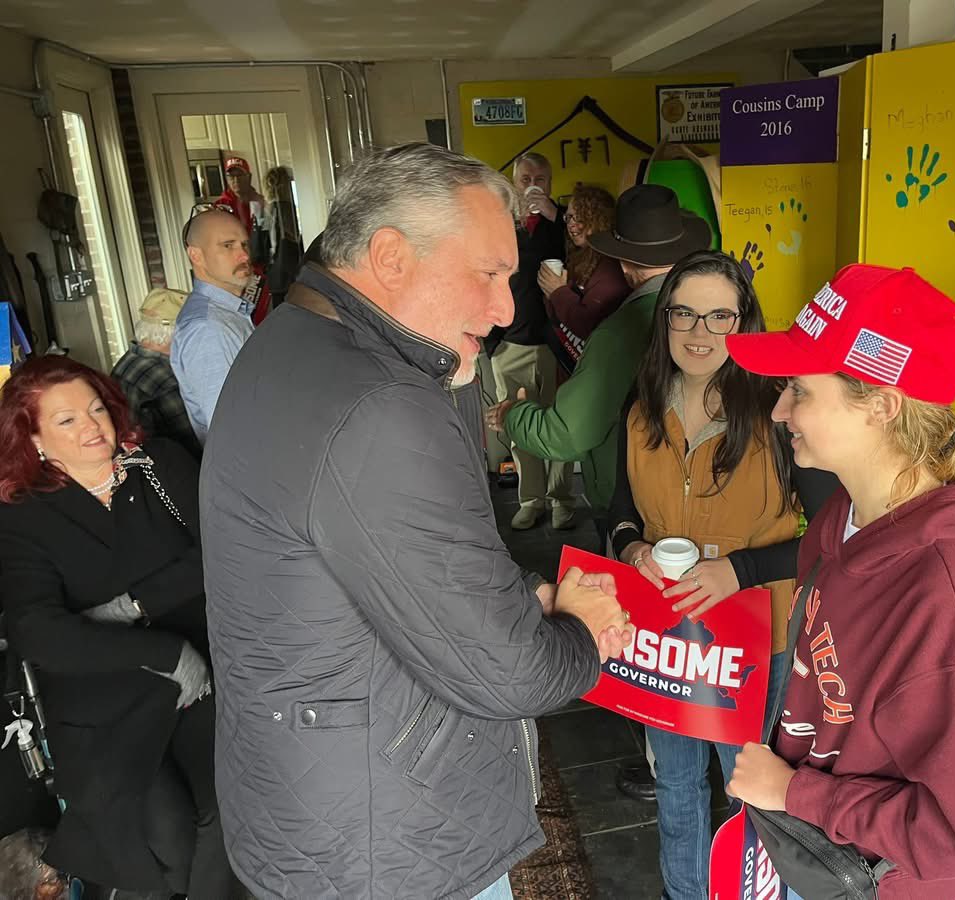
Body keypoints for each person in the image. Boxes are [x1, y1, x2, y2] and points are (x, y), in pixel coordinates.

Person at [199, 143, 633, 900]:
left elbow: (400, 555)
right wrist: (583, 628)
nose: (504, 309)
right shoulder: (379, 405)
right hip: (388, 844)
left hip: (323, 807)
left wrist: (450, 373)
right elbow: (513, 672)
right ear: (391, 257)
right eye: (489, 274)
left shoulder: (296, 341)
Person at [723, 264, 955, 900]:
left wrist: (795, 791)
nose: (780, 410)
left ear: (883, 406)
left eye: (800, 392)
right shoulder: (844, 514)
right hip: (824, 854)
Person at [608, 250, 840, 899]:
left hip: (755, 638)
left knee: (752, 790)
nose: (700, 332)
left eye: (720, 316)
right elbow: (621, 507)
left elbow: (830, 538)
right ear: (665, 320)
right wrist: (630, 549)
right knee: (676, 781)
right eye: (684, 313)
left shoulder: (779, 405)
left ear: (744, 324)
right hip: (666, 629)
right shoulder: (644, 401)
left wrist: (739, 570)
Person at [0, 356, 236, 898]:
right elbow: (37, 629)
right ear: (33, 439)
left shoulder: (158, 464)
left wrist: (129, 606)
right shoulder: (24, 514)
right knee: (168, 847)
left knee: (224, 817)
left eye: (96, 408)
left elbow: (222, 548)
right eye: (66, 421)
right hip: (108, 697)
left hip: (206, 675)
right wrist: (161, 651)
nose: (91, 427)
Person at [486, 183, 710, 544]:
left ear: (623, 261)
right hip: (709, 498)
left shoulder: (620, 333)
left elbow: (566, 436)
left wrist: (513, 414)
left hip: (635, 511)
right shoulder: (717, 311)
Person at [488, 151, 576, 530]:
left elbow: (587, 257)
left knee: (559, 424)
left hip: (557, 344)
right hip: (510, 343)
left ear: (551, 183)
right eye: (525, 179)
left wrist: (556, 217)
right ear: (514, 182)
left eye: (540, 178)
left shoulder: (567, 223)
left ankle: (562, 500)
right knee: (517, 425)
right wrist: (492, 344)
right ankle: (531, 499)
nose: (533, 185)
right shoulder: (500, 223)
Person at [171, 209, 254, 445]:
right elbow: (231, 430)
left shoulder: (229, 314)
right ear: (195, 255)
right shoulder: (207, 328)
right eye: (228, 246)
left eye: (244, 245)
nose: (243, 255)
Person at [538, 185, 627, 375]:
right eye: (569, 217)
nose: (572, 224)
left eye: (580, 217)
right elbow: (557, 316)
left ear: (600, 219)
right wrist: (550, 293)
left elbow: (590, 326)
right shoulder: (579, 257)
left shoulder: (611, 265)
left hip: (597, 371)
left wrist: (557, 292)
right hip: (572, 365)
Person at [110, 287, 200, 458]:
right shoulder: (166, 379)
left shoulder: (127, 362)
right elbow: (195, 442)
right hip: (176, 469)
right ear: (178, 332)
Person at [216, 156, 272, 323]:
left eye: (240, 175)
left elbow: (268, 235)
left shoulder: (259, 202)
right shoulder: (221, 207)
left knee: (262, 318)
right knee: (240, 320)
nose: (235, 180)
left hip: (260, 270)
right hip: (234, 272)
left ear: (249, 177)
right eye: (231, 176)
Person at [263, 165, 304, 303]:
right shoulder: (286, 207)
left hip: (273, 273)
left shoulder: (266, 208)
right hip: (288, 271)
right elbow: (293, 237)